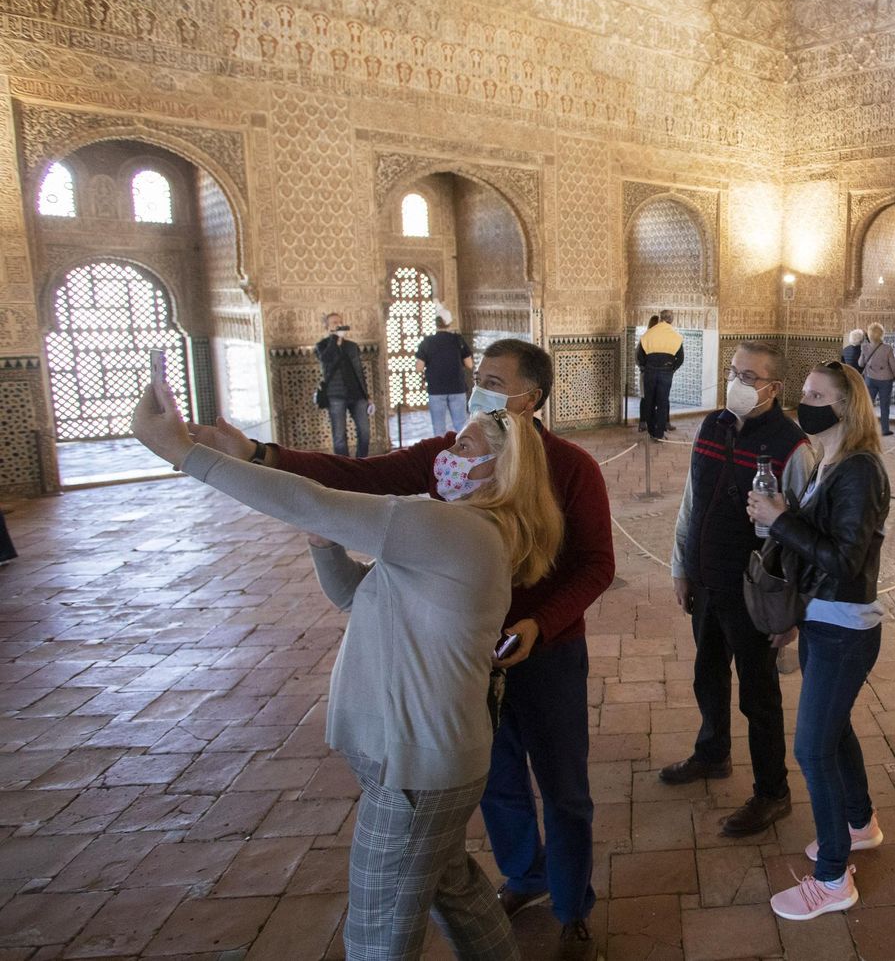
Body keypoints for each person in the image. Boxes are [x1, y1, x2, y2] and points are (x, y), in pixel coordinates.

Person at [186, 339, 613, 961]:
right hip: (460, 659)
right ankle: (525, 875)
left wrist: (539, 625)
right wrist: (259, 452)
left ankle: (573, 908)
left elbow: (596, 565)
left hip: (543, 653)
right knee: (496, 783)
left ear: (532, 397)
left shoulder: (571, 467)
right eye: (478, 376)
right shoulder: (459, 452)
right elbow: (363, 478)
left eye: (494, 380)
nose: (479, 387)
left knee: (565, 788)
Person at [747, 361, 891, 921]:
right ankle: (859, 824)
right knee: (834, 732)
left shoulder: (859, 470)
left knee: (811, 748)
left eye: (816, 394)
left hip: (845, 627)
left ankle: (833, 878)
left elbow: (845, 559)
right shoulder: (826, 460)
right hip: (822, 619)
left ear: (846, 406)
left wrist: (782, 520)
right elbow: (819, 547)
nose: (804, 401)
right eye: (803, 392)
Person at [662, 341, 814, 837]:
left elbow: (803, 535)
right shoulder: (713, 425)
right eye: (733, 373)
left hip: (753, 593)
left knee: (759, 694)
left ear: (774, 388)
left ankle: (773, 792)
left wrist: (791, 612)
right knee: (708, 673)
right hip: (706, 581)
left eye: (749, 377)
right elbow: (692, 500)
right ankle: (713, 753)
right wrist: (681, 567)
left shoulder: (793, 446)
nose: (737, 384)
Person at [316, 312, 374, 457]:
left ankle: (361, 463)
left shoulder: (352, 346)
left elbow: (359, 371)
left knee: (365, 432)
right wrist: (334, 339)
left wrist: (367, 395)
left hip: (357, 394)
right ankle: (344, 467)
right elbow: (326, 360)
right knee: (340, 437)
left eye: (339, 322)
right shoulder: (322, 346)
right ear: (327, 327)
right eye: (334, 322)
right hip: (336, 396)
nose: (338, 324)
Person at [416, 311, 475, 437]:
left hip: (436, 390)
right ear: (448, 323)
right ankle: (464, 453)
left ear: (435, 324)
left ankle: (440, 455)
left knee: (439, 429)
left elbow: (419, 367)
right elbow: (469, 364)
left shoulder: (427, 342)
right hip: (457, 388)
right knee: (461, 426)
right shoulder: (457, 340)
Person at [636, 310, 684, 442]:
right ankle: (659, 434)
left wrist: (647, 367)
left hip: (650, 372)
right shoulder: (676, 336)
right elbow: (680, 358)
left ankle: (651, 431)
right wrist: (671, 369)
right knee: (663, 403)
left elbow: (640, 356)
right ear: (671, 320)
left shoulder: (649, 333)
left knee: (649, 401)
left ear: (661, 319)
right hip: (666, 372)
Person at [858, 322, 895, 436]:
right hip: (886, 380)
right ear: (882, 334)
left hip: (870, 379)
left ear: (869, 334)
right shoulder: (887, 348)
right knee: (884, 405)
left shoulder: (865, 347)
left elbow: (860, 363)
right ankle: (884, 429)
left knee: (869, 405)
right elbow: (894, 366)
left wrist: (863, 353)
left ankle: (866, 429)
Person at [637, 315, 660, 432]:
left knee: (655, 399)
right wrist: (645, 367)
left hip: (656, 373)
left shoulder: (660, 339)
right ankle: (643, 422)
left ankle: (654, 423)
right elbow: (639, 357)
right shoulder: (645, 338)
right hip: (647, 373)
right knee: (645, 398)